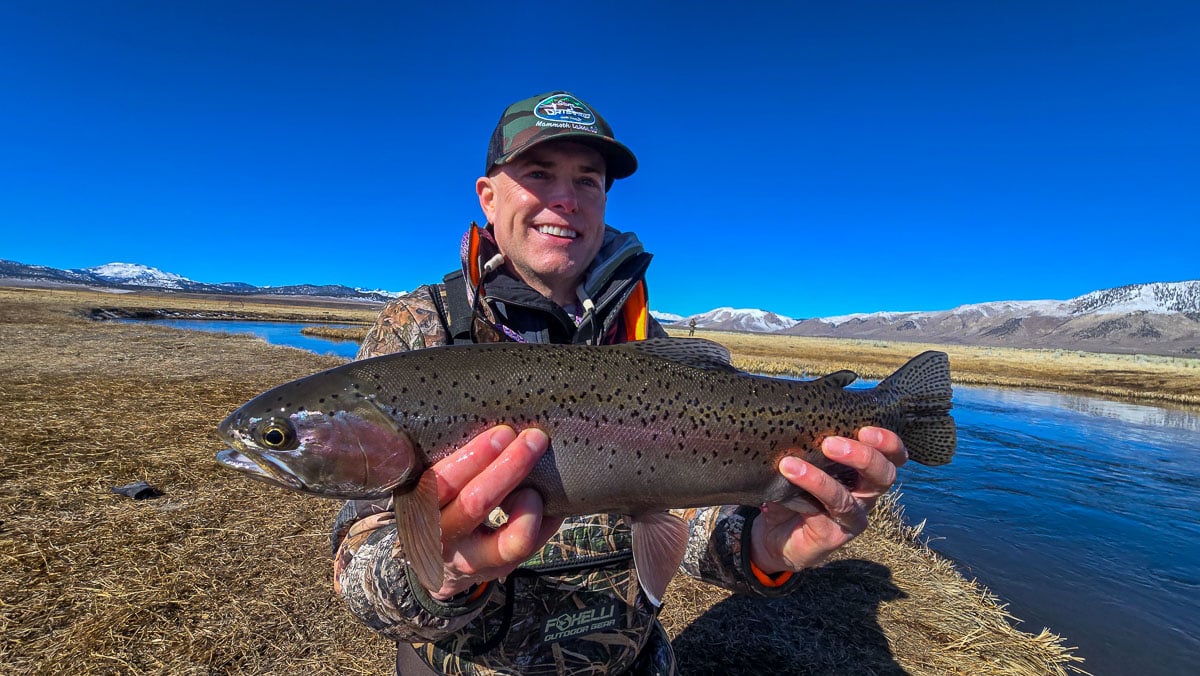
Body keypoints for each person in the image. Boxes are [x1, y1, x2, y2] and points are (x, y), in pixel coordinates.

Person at [331, 91, 907, 674]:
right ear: (488, 195)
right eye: (538, 173)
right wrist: (438, 571)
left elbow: (688, 514)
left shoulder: (641, 334)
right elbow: (358, 559)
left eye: (588, 180)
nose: (565, 199)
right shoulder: (419, 331)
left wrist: (764, 545)